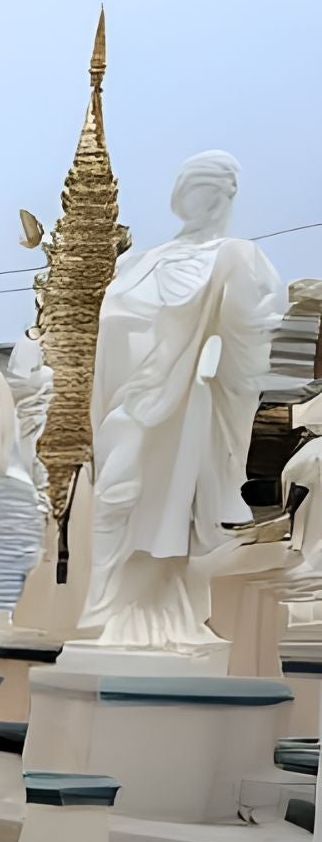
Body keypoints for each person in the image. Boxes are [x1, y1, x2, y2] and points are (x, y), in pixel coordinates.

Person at [82, 152, 286, 652]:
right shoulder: (137, 263)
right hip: (128, 401)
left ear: (224, 198)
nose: (201, 201)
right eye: (192, 189)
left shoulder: (235, 256)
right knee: (114, 494)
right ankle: (110, 606)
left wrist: (214, 360)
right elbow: (108, 337)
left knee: (163, 507)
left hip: (186, 405)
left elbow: (255, 338)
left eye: (211, 191)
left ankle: (152, 609)